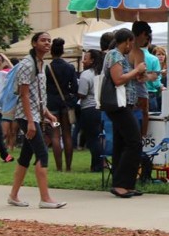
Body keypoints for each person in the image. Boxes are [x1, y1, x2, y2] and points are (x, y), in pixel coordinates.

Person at [8, 32, 66, 209]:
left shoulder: (40, 63)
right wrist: (31, 122)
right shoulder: (27, 64)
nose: (47, 43)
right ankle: (45, 199)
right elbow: (24, 95)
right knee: (42, 154)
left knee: (25, 156)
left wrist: (46, 113)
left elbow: (36, 95)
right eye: (43, 40)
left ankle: (13, 195)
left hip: (34, 114)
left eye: (49, 40)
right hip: (27, 117)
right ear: (34, 43)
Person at [103, 28, 146, 198]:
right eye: (132, 43)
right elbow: (118, 79)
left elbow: (123, 78)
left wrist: (136, 75)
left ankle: (124, 184)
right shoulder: (115, 55)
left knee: (121, 144)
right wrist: (136, 70)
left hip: (124, 104)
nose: (132, 47)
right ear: (128, 41)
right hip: (118, 105)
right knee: (134, 142)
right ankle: (122, 184)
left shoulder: (118, 56)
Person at [44, 38, 78, 172]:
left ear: (51, 52)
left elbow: (44, 87)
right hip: (66, 104)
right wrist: (71, 99)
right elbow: (75, 87)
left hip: (52, 105)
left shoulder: (48, 68)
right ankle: (68, 167)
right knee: (67, 134)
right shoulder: (70, 67)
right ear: (63, 51)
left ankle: (59, 167)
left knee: (55, 135)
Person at [77, 49, 104, 172]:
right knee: (98, 137)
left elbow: (82, 93)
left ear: (92, 60)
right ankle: (98, 164)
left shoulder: (86, 74)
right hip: (101, 108)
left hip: (89, 108)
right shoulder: (102, 73)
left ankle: (97, 165)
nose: (83, 61)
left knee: (92, 139)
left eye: (85, 58)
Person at [129, 21, 155, 138]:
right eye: (147, 38)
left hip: (124, 92)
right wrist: (149, 76)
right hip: (138, 92)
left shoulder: (121, 50)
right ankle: (142, 140)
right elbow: (139, 76)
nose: (146, 42)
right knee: (143, 115)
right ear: (143, 34)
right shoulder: (138, 52)